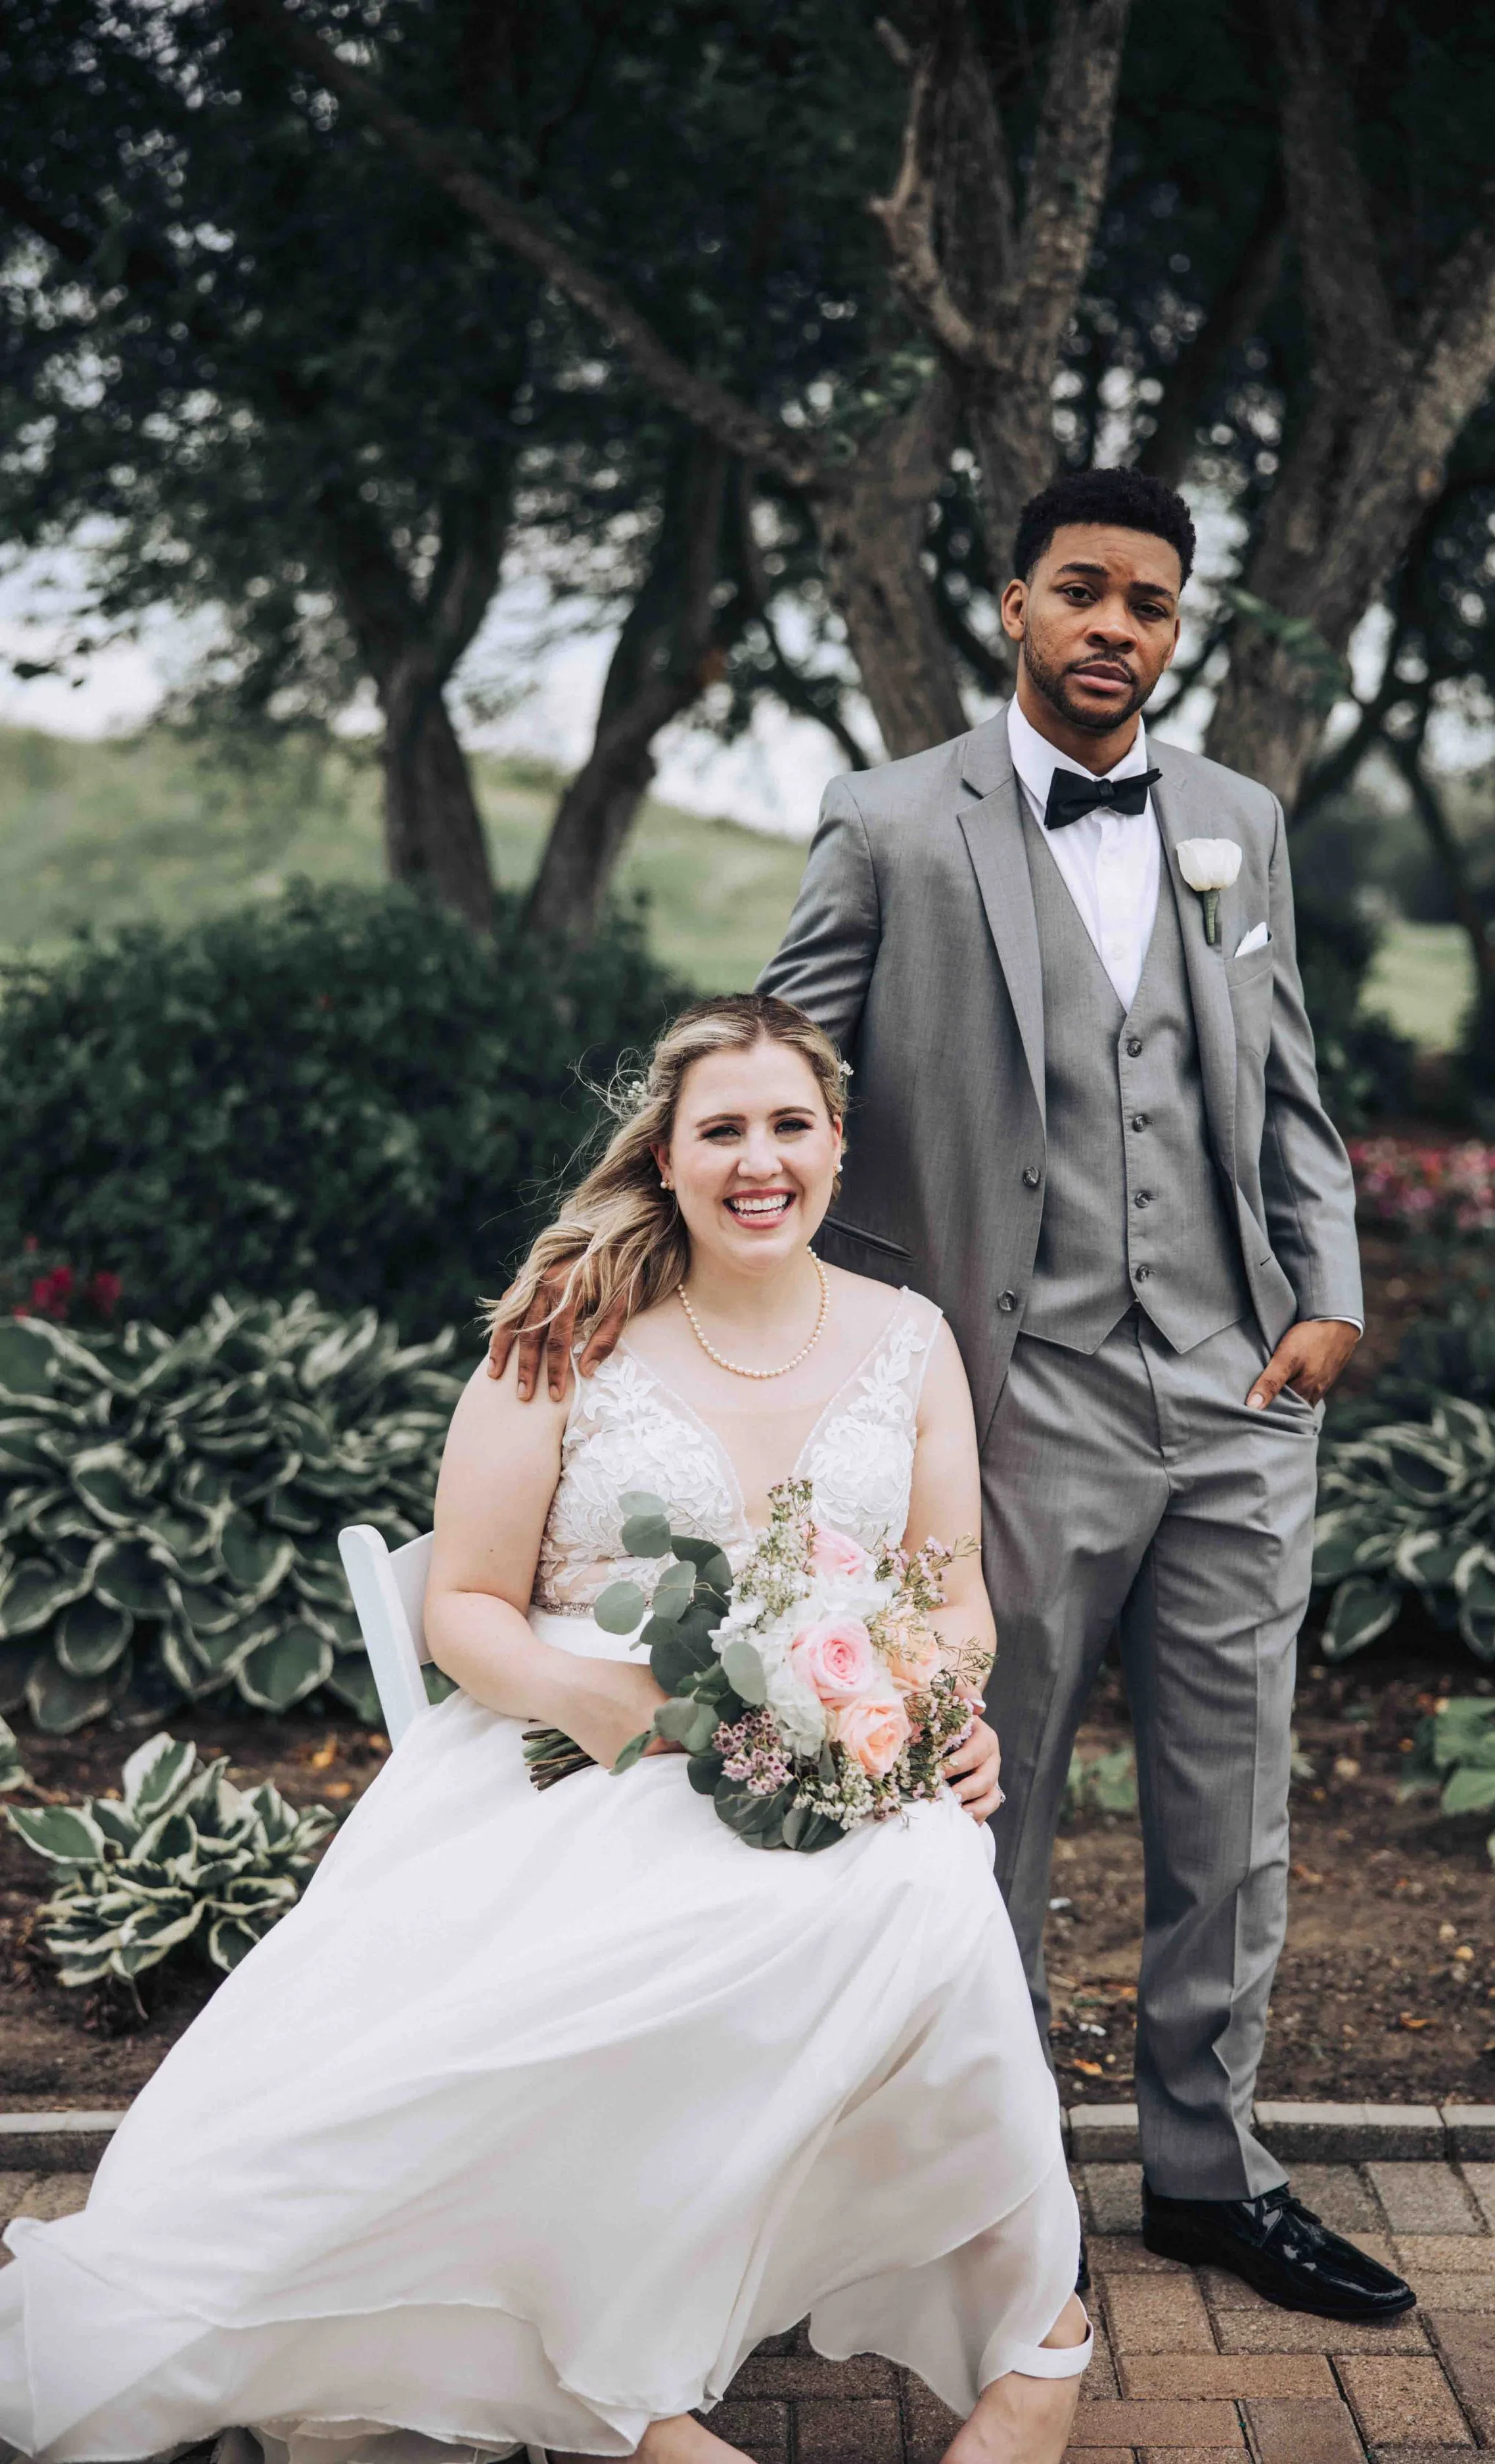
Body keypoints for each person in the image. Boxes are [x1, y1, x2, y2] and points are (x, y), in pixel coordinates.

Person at [494, 469, 1413, 2325]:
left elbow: (1286, 1078)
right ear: (1009, 605)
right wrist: (634, 1253)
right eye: (1081, 592)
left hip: (1238, 1387)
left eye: (1149, 605)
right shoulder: (892, 822)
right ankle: (987, 2180)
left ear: (1174, 629)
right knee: (978, 1797)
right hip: (1015, 1383)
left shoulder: (1235, 819)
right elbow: (765, 1071)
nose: (1115, 631)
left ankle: (1209, 2167)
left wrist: (1327, 1287)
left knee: (1229, 1800)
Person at [0, 995, 1091, 2464]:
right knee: (662, 1956)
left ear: (837, 1147)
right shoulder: (568, 1330)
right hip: (579, 1757)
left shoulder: (909, 1340)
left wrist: (935, 1714)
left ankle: (1037, 2344)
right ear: (666, 1154)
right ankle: (620, 2393)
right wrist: (601, 1700)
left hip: (824, 1759)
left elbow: (947, 1594)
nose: (756, 1160)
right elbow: (463, 1605)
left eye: (788, 1126)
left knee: (931, 1891)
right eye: (721, 1130)